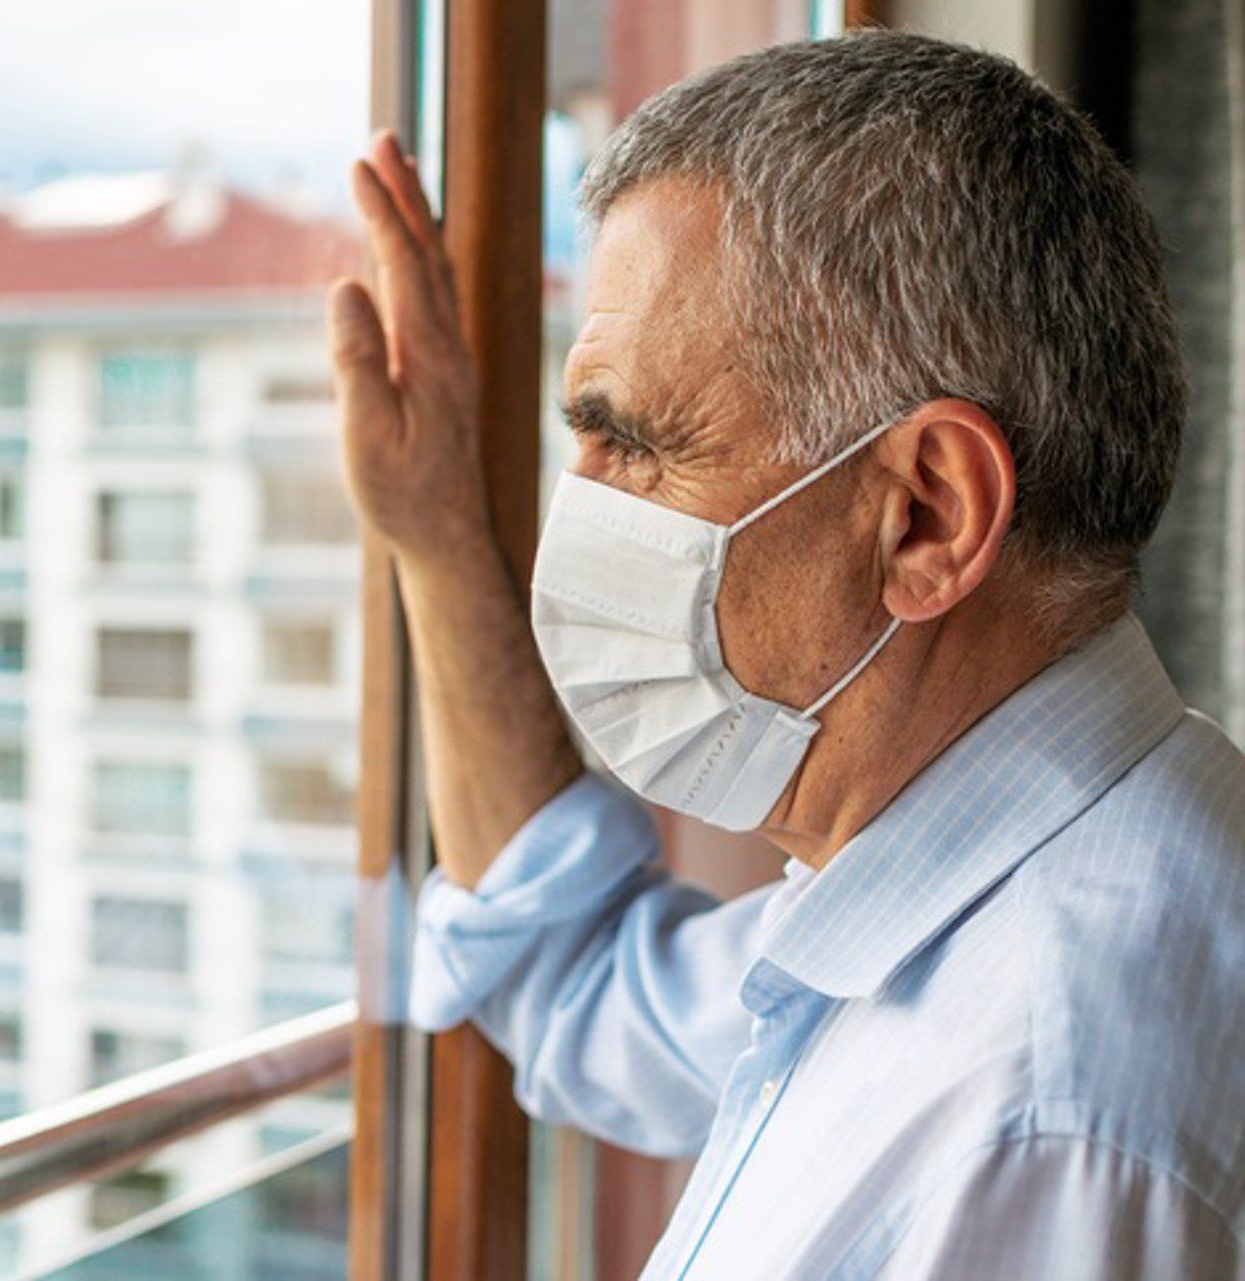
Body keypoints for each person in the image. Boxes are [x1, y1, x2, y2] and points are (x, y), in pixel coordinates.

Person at [327, 31, 1245, 1279]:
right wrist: (437, 536)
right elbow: (577, 983)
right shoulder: (954, 876)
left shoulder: (1046, 1117)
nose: (583, 514)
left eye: (636, 444)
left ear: (926, 513)